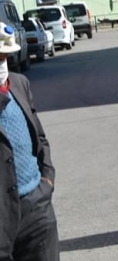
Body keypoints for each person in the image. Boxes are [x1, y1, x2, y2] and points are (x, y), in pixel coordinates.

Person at [0, 22, 59, 261]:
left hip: (37, 208)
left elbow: (39, 136)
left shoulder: (20, 84)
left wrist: (47, 179)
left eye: (4, 56)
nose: (2, 62)